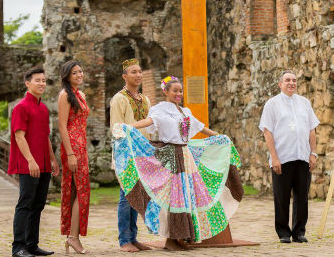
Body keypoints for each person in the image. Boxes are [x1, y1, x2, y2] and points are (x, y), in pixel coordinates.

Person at [112, 75, 243, 251]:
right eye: (175, 91)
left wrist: (218, 136)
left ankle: (182, 236)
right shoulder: (160, 110)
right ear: (166, 91)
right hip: (172, 156)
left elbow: (200, 127)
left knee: (187, 196)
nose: (178, 94)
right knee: (176, 198)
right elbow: (149, 122)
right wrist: (130, 127)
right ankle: (171, 238)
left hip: (186, 156)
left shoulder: (185, 112)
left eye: (180, 91)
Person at [259, 70, 319, 243]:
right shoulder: (272, 104)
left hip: (302, 156)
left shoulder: (304, 103)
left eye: (293, 80)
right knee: (282, 196)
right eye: (287, 80)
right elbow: (267, 131)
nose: (291, 83)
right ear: (280, 84)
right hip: (282, 157)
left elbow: (311, 129)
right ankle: (284, 232)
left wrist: (313, 153)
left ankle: (299, 232)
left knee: (302, 196)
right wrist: (274, 157)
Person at [9, 67, 59, 257]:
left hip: (44, 163)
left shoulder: (43, 108)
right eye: (37, 80)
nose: (41, 83)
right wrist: (30, 160)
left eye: (44, 80)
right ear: (27, 83)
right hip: (29, 164)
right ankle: (18, 247)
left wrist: (53, 160)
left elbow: (45, 136)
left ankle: (31, 245)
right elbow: (19, 136)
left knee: (38, 204)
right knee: (25, 204)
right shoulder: (21, 107)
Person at [109, 59, 153, 252]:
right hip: (126, 154)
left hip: (143, 154)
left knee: (137, 197)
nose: (138, 75)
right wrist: (125, 153)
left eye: (140, 71)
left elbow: (150, 128)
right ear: (124, 76)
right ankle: (124, 239)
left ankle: (133, 238)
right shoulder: (119, 99)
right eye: (133, 72)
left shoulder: (146, 99)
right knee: (126, 196)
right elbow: (117, 128)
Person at [57, 61, 90, 254]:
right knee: (78, 190)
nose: (79, 74)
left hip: (82, 144)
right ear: (67, 76)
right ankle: (73, 237)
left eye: (80, 71)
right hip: (71, 146)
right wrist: (69, 153)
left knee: (81, 190)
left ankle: (73, 235)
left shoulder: (81, 95)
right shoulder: (64, 95)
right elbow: (62, 126)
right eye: (74, 72)